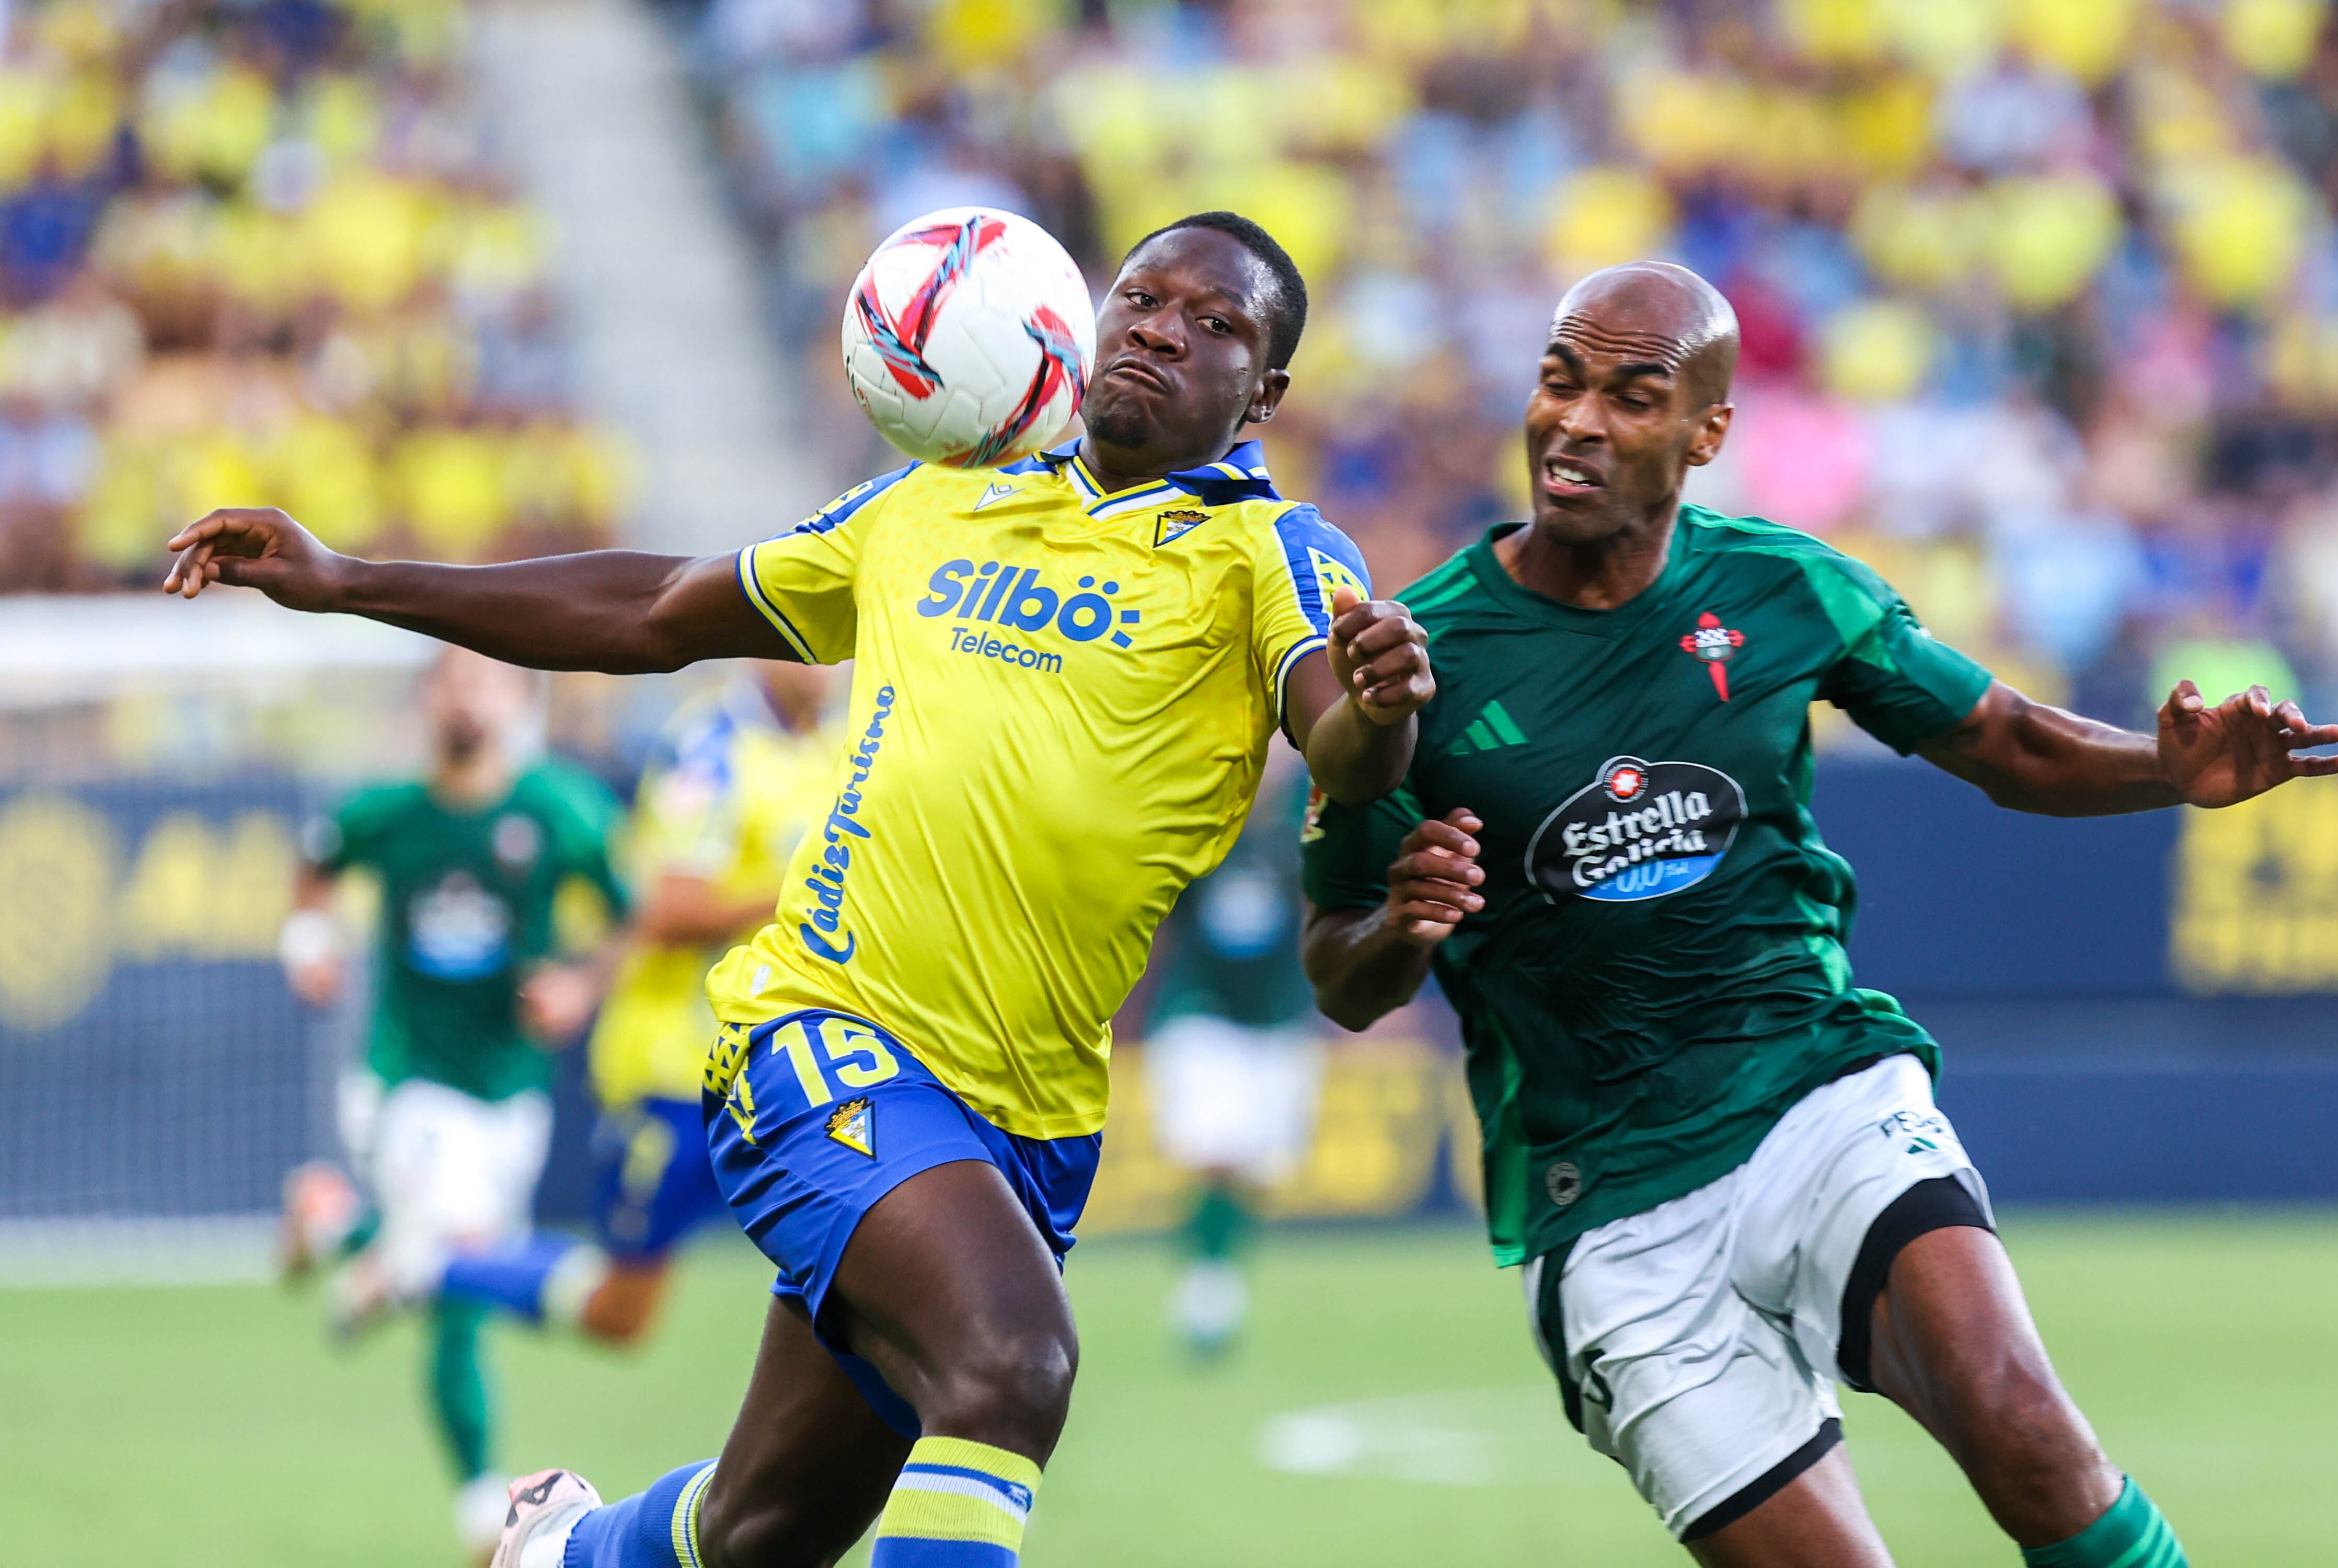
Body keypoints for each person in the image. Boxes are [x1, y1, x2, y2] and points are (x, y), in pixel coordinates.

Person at [164, 210, 1435, 1568]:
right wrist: (352, 579)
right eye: (1141, 297)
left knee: (766, 1529)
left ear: (1266, 391)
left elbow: (1345, 742)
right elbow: (652, 612)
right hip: (821, 1035)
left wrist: (1378, 706)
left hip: (1027, 1114)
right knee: (1010, 1366)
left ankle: (558, 1553)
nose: (1162, 327)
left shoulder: (1272, 558)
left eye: (1216, 322)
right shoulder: (933, 502)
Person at [1298, 261, 2338, 1568]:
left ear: (1705, 432)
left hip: (1814, 1092)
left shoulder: (1783, 588)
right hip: (1607, 1202)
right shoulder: (1422, 656)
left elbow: (2004, 740)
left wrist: (2164, 771)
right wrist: (1400, 923)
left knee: (2023, 1426)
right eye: (1557, 380)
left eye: (1628, 395)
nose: (1573, 420)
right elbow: (1337, 967)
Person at [274, 646, 628, 1561]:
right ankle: (483, 1508)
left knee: (456, 1273)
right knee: (464, 1274)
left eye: (488, 678)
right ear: (429, 697)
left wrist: (584, 987)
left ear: (519, 697)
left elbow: (632, 915)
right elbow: (316, 866)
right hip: (409, 1085)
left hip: (510, 1096)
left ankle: (339, 1230)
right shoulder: (389, 814)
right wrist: (307, 939)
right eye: (453, 677)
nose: (469, 693)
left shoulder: (560, 812)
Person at [425, 662, 844, 1344]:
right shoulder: (709, 747)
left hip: (793, 1070)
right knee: (622, 1315)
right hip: (678, 1069)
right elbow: (667, 904)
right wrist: (810, 891)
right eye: (812, 642)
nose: (828, 662)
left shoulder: (848, 740)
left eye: (841, 642)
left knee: (857, 1267)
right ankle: (430, 1263)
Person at [1142, 744, 1322, 1356]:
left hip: (1277, 1013)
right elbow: (1157, 906)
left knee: (1256, 1167)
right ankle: (1206, 1288)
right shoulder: (1198, 799)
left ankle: (1221, 1275)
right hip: (1201, 1008)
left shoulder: (1314, 807)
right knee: (1214, 1150)